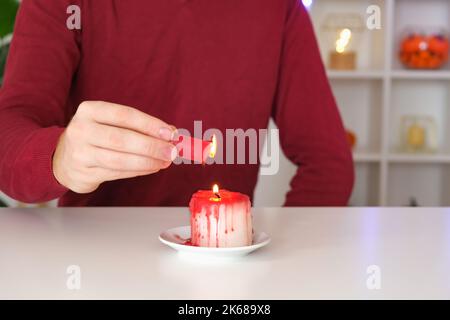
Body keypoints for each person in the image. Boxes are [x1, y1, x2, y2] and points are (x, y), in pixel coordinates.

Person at [0, 0, 354, 207]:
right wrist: (59, 158)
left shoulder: (279, 8)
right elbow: (9, 134)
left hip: (222, 275)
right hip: (94, 267)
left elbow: (328, 163)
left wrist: (278, 264)